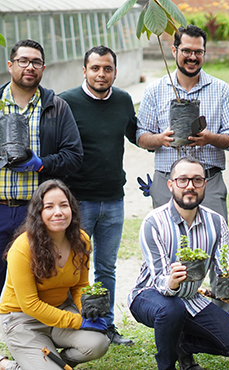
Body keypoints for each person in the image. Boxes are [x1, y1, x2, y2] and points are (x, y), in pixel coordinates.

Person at [128, 157, 229, 370]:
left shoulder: (216, 222)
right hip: (149, 295)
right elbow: (159, 279)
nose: (190, 186)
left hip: (190, 298)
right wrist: (172, 282)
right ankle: (166, 366)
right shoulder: (154, 222)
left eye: (197, 180)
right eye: (182, 180)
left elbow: (226, 268)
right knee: (171, 309)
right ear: (171, 184)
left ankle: (181, 344)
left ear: (205, 184)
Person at [58, 46, 137, 346]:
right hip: (78, 203)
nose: (101, 74)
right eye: (95, 68)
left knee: (106, 267)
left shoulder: (123, 100)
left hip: (114, 199)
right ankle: (72, 325)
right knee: (73, 267)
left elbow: (136, 135)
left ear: (115, 72)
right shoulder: (66, 102)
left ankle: (106, 326)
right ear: (84, 71)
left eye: (107, 69)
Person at [0, 39, 83, 294]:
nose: (30, 67)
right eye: (23, 61)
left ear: (43, 68)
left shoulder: (56, 107)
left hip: (35, 212)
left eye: (36, 62)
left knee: (34, 279)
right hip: (0, 205)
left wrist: (41, 165)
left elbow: (74, 156)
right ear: (10, 65)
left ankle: (25, 331)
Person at [0, 179, 110, 370]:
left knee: (98, 343)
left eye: (64, 205)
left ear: (72, 210)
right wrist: (78, 321)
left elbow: (79, 285)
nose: (58, 212)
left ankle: (46, 363)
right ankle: (14, 366)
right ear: (38, 213)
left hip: (60, 309)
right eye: (49, 206)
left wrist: (86, 310)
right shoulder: (22, 248)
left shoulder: (81, 240)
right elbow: (30, 305)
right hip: (22, 319)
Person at [137, 24, 229, 220]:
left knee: (215, 244)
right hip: (167, 180)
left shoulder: (221, 89)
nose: (192, 57)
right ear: (174, 50)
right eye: (186, 51)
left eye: (198, 52)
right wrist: (160, 139)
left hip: (208, 181)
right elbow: (141, 136)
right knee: (168, 244)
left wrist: (210, 138)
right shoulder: (155, 89)